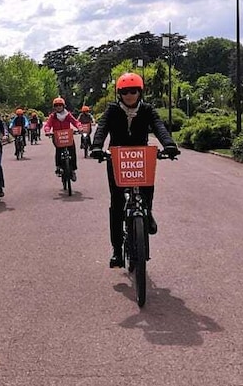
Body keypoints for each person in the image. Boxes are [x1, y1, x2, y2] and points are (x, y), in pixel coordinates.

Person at [90, 73, 179, 268]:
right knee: (117, 203)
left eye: (134, 91)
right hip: (117, 159)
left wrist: (169, 144)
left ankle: (148, 212)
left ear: (140, 92)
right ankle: (117, 250)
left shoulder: (147, 110)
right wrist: (97, 147)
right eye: (125, 91)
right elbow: (102, 127)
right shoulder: (112, 110)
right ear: (119, 93)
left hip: (141, 159)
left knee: (147, 190)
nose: (129, 95)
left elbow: (159, 127)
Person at [43, 97, 82, 181]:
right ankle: (58, 167)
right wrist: (47, 131)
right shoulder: (52, 117)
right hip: (57, 137)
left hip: (68, 136)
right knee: (58, 151)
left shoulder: (68, 115)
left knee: (72, 151)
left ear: (63, 106)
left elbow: (75, 122)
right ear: (54, 107)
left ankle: (73, 170)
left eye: (60, 105)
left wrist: (79, 128)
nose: (58, 107)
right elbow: (48, 125)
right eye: (56, 105)